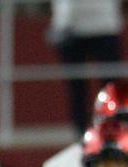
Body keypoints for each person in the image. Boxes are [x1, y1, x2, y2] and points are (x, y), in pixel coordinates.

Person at [47, 0, 123, 136]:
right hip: (70, 28)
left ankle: (114, 129)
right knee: (76, 87)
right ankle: (81, 133)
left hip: (104, 24)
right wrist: (61, 21)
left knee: (111, 86)